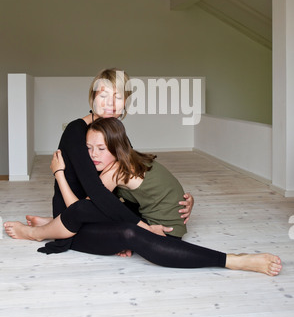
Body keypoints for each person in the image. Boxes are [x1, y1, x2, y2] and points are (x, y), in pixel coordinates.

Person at [4, 118, 283, 276]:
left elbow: (79, 209)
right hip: (156, 218)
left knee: (93, 220)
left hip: (164, 232)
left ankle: (40, 232)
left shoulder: (116, 172)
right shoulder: (128, 159)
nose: (92, 155)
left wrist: (60, 173)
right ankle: (53, 226)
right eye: (89, 148)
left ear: (116, 147)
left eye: (100, 148)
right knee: (105, 211)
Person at [22, 68, 194, 251]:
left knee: (143, 224)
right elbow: (95, 194)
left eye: (118, 97)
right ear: (92, 98)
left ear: (126, 102)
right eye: (103, 95)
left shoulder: (112, 132)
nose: (110, 103)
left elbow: (129, 176)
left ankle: (49, 223)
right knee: (131, 236)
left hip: (101, 208)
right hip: (74, 213)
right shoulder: (76, 131)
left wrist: (175, 200)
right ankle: (45, 229)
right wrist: (146, 229)